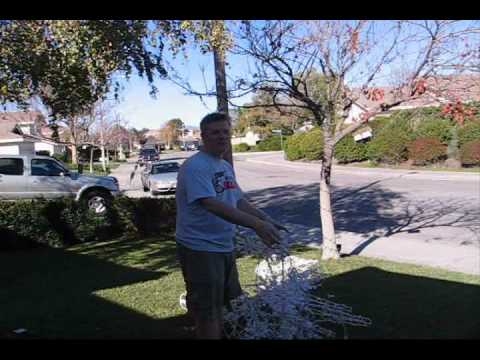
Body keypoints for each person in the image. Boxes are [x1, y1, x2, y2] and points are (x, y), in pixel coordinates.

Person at [175, 112, 287, 339]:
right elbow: (211, 204)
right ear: (203, 136)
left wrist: (266, 219)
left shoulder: (223, 165)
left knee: (229, 304)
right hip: (200, 248)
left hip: (223, 245)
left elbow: (237, 199)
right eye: (215, 132)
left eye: (226, 131)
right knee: (208, 311)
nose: (222, 137)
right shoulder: (195, 166)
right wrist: (257, 225)